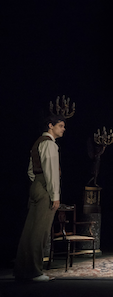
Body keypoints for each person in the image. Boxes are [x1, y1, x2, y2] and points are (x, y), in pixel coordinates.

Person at [14, 114, 66, 282]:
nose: (63, 129)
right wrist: (55, 195)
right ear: (50, 126)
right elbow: (51, 173)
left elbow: (31, 170)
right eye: (61, 126)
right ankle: (34, 271)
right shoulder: (50, 145)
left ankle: (22, 270)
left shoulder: (38, 143)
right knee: (40, 232)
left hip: (36, 185)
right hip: (44, 188)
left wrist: (37, 183)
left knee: (29, 231)